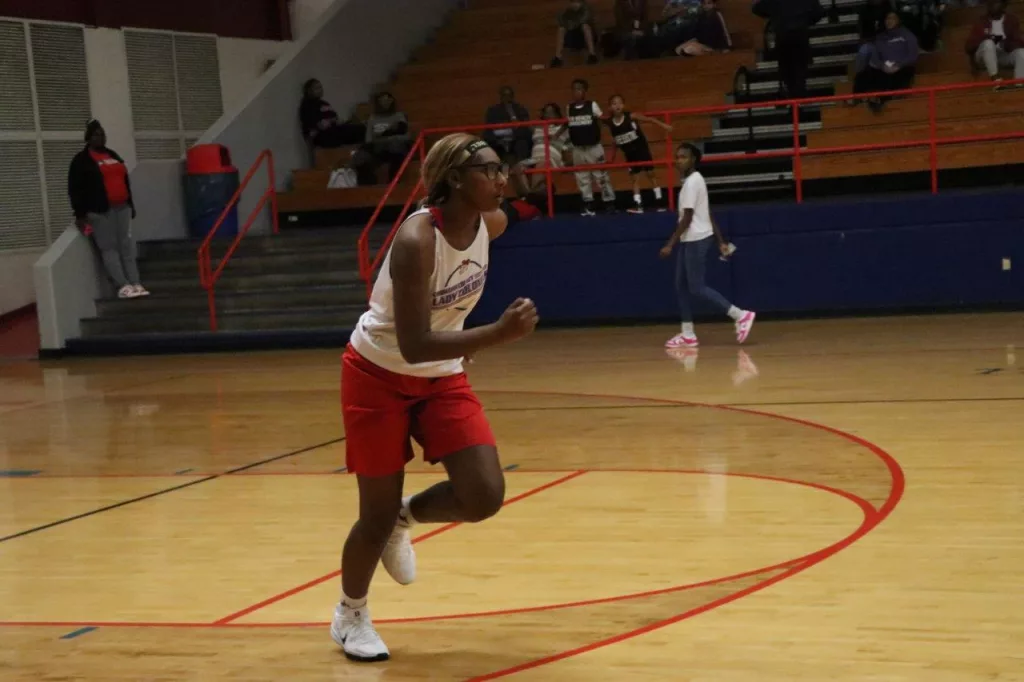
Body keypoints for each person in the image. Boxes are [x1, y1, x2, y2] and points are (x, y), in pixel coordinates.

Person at [331, 133, 539, 662]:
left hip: (441, 375)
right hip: (378, 373)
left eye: (502, 169)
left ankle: (408, 518)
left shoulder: (490, 223)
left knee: (484, 495)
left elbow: (521, 209)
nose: (500, 179)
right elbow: (415, 344)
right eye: (489, 170)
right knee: (373, 516)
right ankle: (350, 615)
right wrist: (496, 334)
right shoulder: (416, 240)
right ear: (454, 180)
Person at [658, 143, 755, 349]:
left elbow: (688, 217)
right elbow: (707, 212)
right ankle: (688, 334)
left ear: (693, 159)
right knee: (681, 285)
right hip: (691, 238)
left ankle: (740, 315)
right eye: (677, 157)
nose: (679, 160)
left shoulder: (693, 182)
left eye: (684, 157)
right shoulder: (694, 181)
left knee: (696, 287)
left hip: (696, 239)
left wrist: (670, 244)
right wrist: (720, 241)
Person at [68, 120, 149, 300]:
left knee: (126, 246)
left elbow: (124, 181)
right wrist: (80, 214)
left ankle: (135, 282)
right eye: (96, 135)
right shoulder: (81, 161)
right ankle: (123, 285)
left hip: (122, 207)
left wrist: (130, 205)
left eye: (103, 134)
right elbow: (75, 189)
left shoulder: (113, 155)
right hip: (100, 211)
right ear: (89, 138)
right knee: (109, 248)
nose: (101, 137)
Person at [605, 94, 671, 213]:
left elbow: (649, 119)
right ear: (610, 107)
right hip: (629, 154)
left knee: (651, 174)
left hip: (642, 149)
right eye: (614, 103)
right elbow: (615, 141)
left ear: (623, 105)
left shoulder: (631, 116)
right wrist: (611, 157)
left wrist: (664, 125)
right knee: (634, 179)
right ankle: (638, 205)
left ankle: (659, 201)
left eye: (619, 103)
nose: (617, 105)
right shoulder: (610, 123)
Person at [753, 0, 826, 99]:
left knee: (787, 71)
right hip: (800, 35)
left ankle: (791, 96)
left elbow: (757, 8)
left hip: (783, 36)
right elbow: (819, 12)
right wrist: (805, 21)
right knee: (800, 70)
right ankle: (799, 97)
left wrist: (774, 16)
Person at [566, 78, 617, 215]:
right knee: (582, 177)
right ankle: (588, 202)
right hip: (578, 148)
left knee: (601, 175)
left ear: (585, 91)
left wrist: (613, 119)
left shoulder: (592, 105)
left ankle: (609, 201)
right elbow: (567, 124)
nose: (576, 92)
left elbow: (602, 119)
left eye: (579, 89)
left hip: (593, 146)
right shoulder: (569, 108)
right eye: (574, 89)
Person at [854, 11, 919, 110]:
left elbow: (912, 56)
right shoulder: (880, 38)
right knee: (865, 74)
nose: (889, 21)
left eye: (892, 18)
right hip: (884, 67)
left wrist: (898, 66)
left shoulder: (907, 35)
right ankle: (858, 98)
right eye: (887, 18)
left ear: (898, 20)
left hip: (902, 67)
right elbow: (876, 58)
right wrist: (882, 66)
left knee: (902, 75)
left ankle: (884, 99)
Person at [356, 91, 413, 183]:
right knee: (361, 157)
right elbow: (369, 140)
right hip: (378, 148)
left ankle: (393, 182)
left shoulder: (398, 116)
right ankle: (369, 184)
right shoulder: (373, 118)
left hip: (395, 147)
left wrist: (387, 137)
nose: (385, 103)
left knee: (396, 147)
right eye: (382, 100)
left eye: (387, 100)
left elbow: (406, 137)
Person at [966, 0, 1024, 82]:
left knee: (1021, 52)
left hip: (1003, 55)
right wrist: (989, 38)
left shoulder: (1011, 20)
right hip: (983, 56)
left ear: (1004, 5)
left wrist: (1004, 44)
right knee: (988, 43)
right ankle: (996, 79)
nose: (992, 5)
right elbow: (969, 46)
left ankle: (1019, 82)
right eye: (990, 2)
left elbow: (1018, 42)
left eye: (996, 2)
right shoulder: (981, 21)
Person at [299, 78, 365, 150]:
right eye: (317, 88)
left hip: (333, 131)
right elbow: (315, 126)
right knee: (359, 131)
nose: (320, 90)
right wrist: (331, 121)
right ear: (309, 91)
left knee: (361, 128)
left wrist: (338, 121)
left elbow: (334, 117)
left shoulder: (323, 103)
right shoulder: (307, 105)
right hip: (323, 136)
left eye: (320, 87)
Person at [482, 86, 533, 166]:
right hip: (498, 140)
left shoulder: (520, 109)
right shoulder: (493, 111)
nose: (507, 98)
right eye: (504, 95)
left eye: (509, 95)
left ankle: (521, 167)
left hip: (516, 139)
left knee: (522, 144)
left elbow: (526, 128)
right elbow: (488, 130)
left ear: (513, 96)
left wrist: (514, 131)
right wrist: (498, 139)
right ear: (501, 97)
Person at [551, 0, 600, 66]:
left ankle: (592, 54)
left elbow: (584, 20)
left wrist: (572, 22)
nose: (574, 5)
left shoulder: (586, 9)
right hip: (573, 37)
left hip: (585, 37)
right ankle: (558, 57)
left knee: (585, 26)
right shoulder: (567, 12)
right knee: (561, 29)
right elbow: (562, 22)